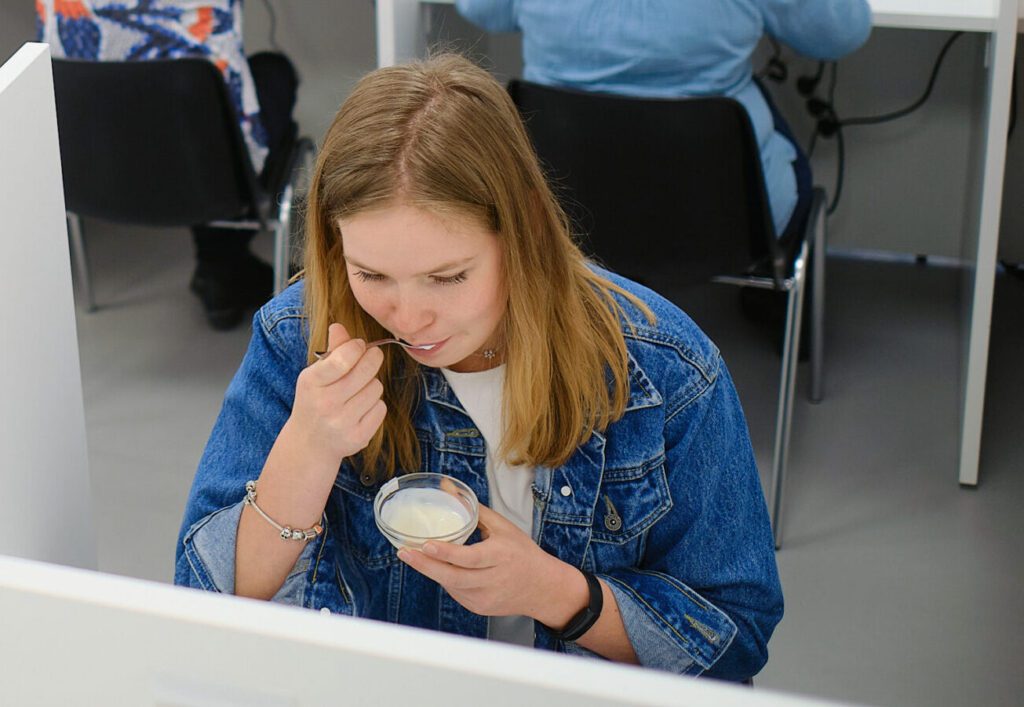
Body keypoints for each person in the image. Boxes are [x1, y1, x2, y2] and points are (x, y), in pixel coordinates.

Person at [175, 53, 783, 682]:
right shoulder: (296, 337)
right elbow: (207, 603)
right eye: (371, 274)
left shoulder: (666, 369)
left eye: (448, 277)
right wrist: (306, 447)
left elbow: (734, 638)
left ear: (518, 229)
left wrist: (556, 594)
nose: (407, 318)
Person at [455, 0, 872, 244]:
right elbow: (840, 34)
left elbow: (483, 10)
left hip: (561, 207)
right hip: (726, 224)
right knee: (773, 129)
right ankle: (775, 303)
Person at [36, 0, 299, 330]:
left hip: (87, 168)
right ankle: (221, 265)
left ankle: (222, 268)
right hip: (209, 172)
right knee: (274, 72)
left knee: (178, 100)